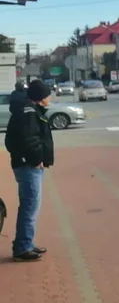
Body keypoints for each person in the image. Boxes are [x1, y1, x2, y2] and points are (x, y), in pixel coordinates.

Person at [4, 79, 54, 262]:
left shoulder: (30, 110)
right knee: (29, 206)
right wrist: (35, 159)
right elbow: (29, 140)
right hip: (28, 166)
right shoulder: (28, 113)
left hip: (27, 165)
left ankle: (26, 243)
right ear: (41, 98)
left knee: (31, 205)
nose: (51, 97)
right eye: (48, 94)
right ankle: (23, 247)